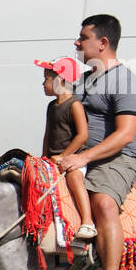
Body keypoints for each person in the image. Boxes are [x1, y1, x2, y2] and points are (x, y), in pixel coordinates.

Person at [56, 14, 136, 270]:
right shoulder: (83, 81)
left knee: (104, 203)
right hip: (79, 155)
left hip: (117, 158)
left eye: (83, 37)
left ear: (103, 43)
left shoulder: (125, 80)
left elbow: (125, 134)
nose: (77, 43)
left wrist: (83, 158)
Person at [35, 57, 96, 241]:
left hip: (73, 158)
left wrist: (64, 155)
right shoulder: (51, 107)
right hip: (53, 159)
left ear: (60, 79)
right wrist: (44, 157)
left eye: (46, 78)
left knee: (74, 178)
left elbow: (82, 135)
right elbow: (48, 134)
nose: (43, 83)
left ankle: (87, 222)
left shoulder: (74, 105)